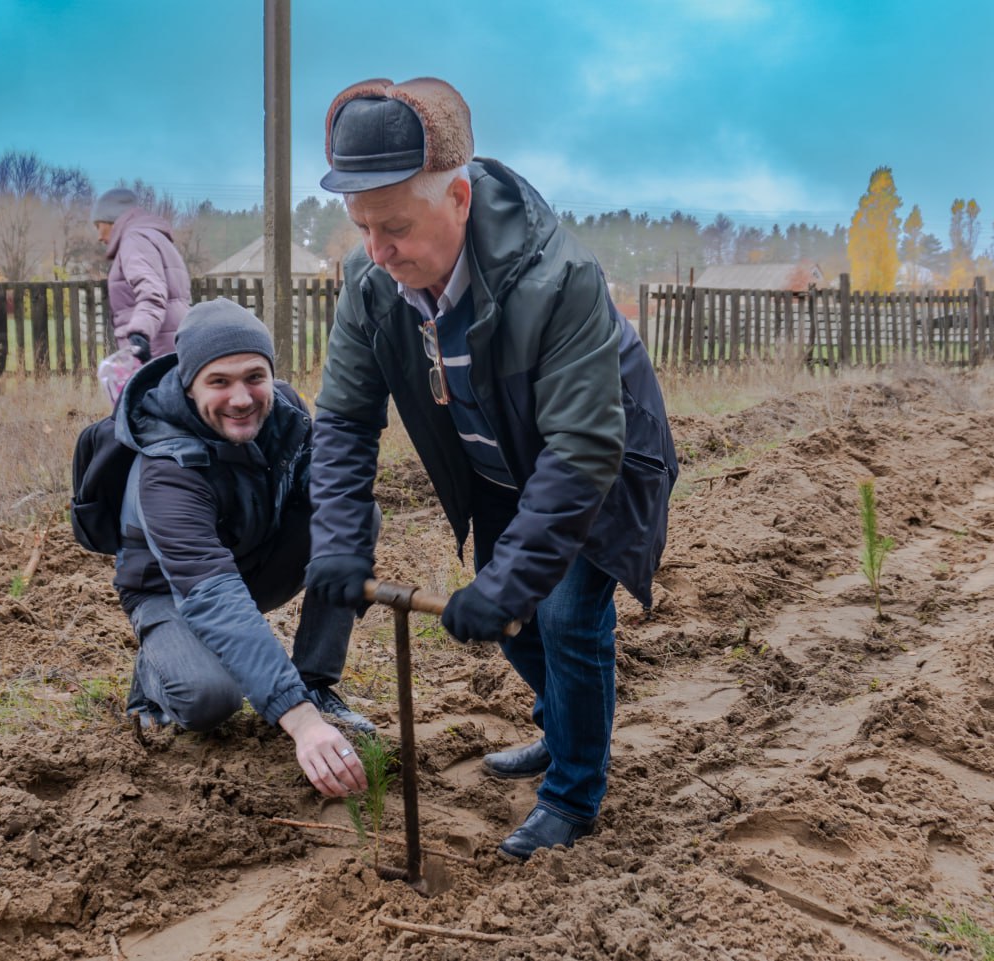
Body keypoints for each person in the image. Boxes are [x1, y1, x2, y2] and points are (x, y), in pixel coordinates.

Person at [307, 77, 677, 860]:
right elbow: (342, 420)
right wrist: (339, 542)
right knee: (513, 620)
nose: (378, 251)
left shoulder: (559, 279)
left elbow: (580, 450)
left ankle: (573, 791)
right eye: (362, 227)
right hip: (498, 463)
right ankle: (564, 720)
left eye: (396, 227)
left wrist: (510, 587)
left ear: (459, 199)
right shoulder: (373, 284)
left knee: (565, 615)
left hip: (597, 457)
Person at [112, 297, 375, 799]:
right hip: (172, 590)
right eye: (219, 381)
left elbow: (330, 490)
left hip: (250, 560)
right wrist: (300, 722)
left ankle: (315, 681)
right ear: (190, 386)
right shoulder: (166, 470)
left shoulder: (285, 413)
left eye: (255, 377)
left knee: (353, 515)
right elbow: (213, 596)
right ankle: (155, 667)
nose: (240, 398)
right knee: (210, 699)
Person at [92, 187, 191, 364]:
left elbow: (152, 291)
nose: (99, 236)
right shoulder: (154, 237)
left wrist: (139, 333)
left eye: (98, 226)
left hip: (154, 351)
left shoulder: (134, 239)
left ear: (111, 220)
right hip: (172, 346)